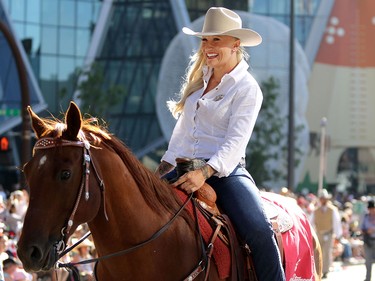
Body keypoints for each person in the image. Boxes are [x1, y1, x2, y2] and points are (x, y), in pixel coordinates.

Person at [156, 7, 285, 281]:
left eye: (217, 40)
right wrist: (161, 170)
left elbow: (235, 143)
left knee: (259, 230)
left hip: (224, 173)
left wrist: (203, 172)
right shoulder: (199, 80)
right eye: (205, 40)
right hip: (181, 168)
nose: (208, 47)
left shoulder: (247, 88)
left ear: (236, 44)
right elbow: (181, 134)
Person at [312, 189, 342, 279]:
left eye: (323, 198)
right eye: (321, 198)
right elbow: (312, 223)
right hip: (319, 234)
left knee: (327, 252)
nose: (322, 200)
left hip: (328, 233)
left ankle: (325, 270)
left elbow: (337, 223)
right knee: (318, 252)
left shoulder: (332, 210)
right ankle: (318, 270)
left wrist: (338, 235)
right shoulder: (316, 210)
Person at [361, 199, 375, 281]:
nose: (372, 210)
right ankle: (368, 278)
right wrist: (367, 231)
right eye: (370, 209)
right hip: (368, 241)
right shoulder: (365, 217)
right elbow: (361, 228)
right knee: (368, 262)